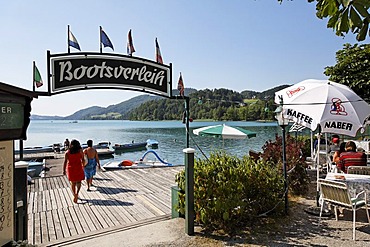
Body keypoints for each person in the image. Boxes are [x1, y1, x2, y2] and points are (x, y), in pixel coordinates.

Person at [63, 139, 85, 203]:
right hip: (78, 167)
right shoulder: (80, 151)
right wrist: (83, 165)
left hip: (71, 168)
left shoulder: (67, 152)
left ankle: (74, 194)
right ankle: (77, 193)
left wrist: (64, 170)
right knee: (79, 182)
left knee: (73, 183)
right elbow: (83, 159)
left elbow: (65, 162)